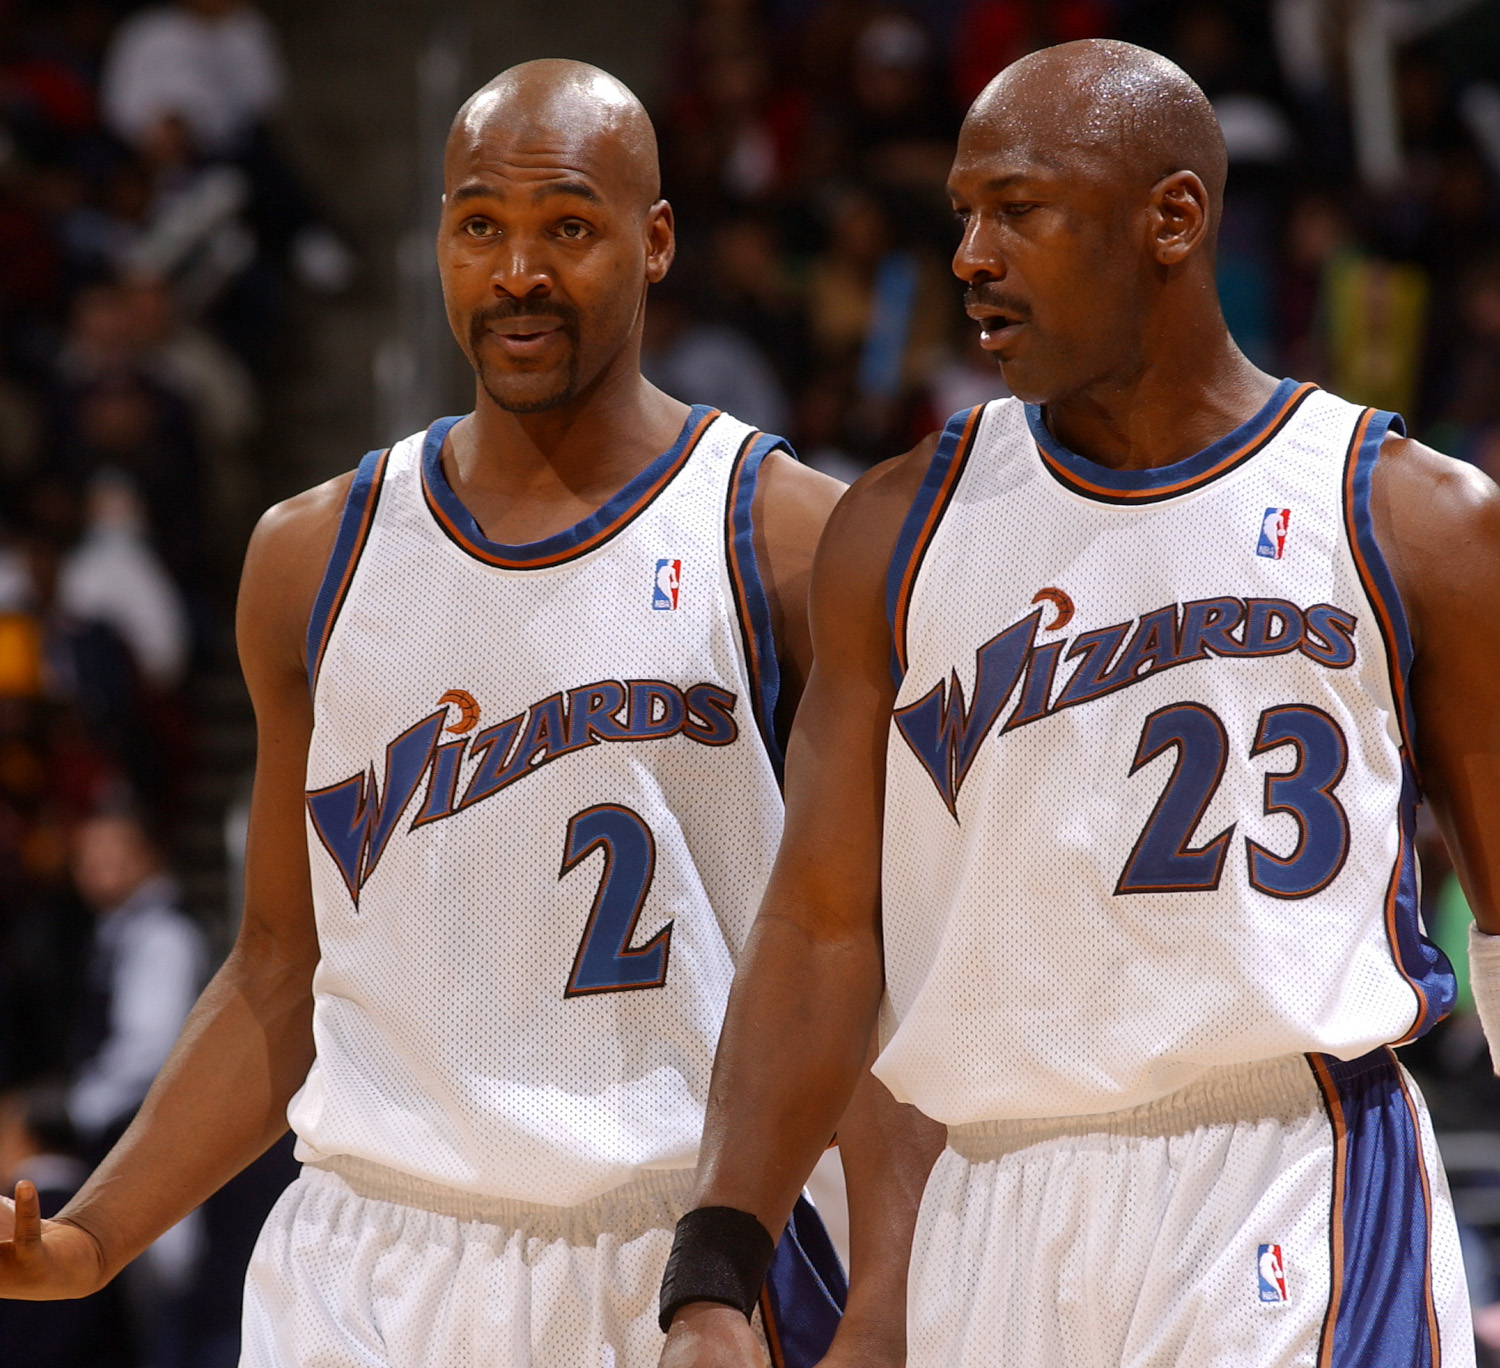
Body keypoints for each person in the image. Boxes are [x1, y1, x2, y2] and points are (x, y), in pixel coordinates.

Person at [0, 59, 937, 1368]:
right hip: (363, 1261)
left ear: (655, 240)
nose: (517, 274)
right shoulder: (309, 557)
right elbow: (282, 963)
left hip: (669, 1254)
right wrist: (95, 1239)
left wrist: (889, 1298)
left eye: (568, 226)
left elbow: (875, 963)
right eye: (479, 224)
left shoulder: (784, 537)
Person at [657, 39, 1500, 1368]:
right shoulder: (897, 529)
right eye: (963, 215)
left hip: (1290, 1176)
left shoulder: (1407, 514)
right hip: (993, 1202)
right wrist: (716, 1268)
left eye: (1019, 208)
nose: (970, 257)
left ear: (1173, 218)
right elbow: (821, 931)